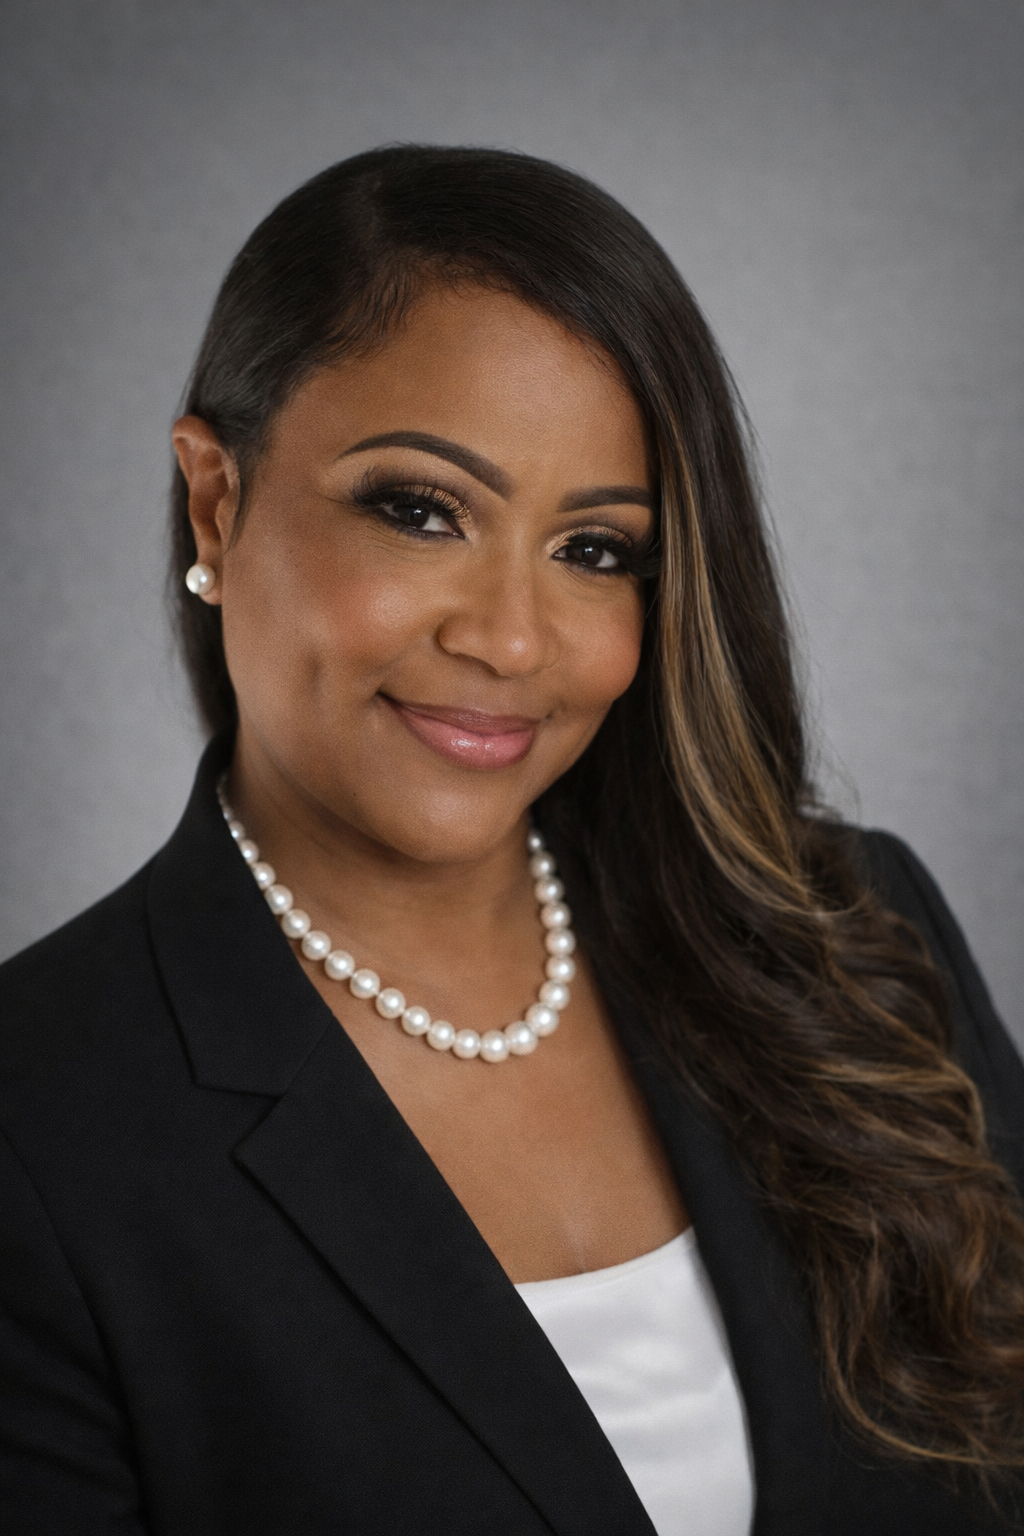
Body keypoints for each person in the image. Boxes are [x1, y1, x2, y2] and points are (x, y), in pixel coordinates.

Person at [0, 145, 1021, 1536]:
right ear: (216, 501)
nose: (512, 639)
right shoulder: (40, 1126)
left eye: (596, 549)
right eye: (419, 511)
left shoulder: (853, 937)